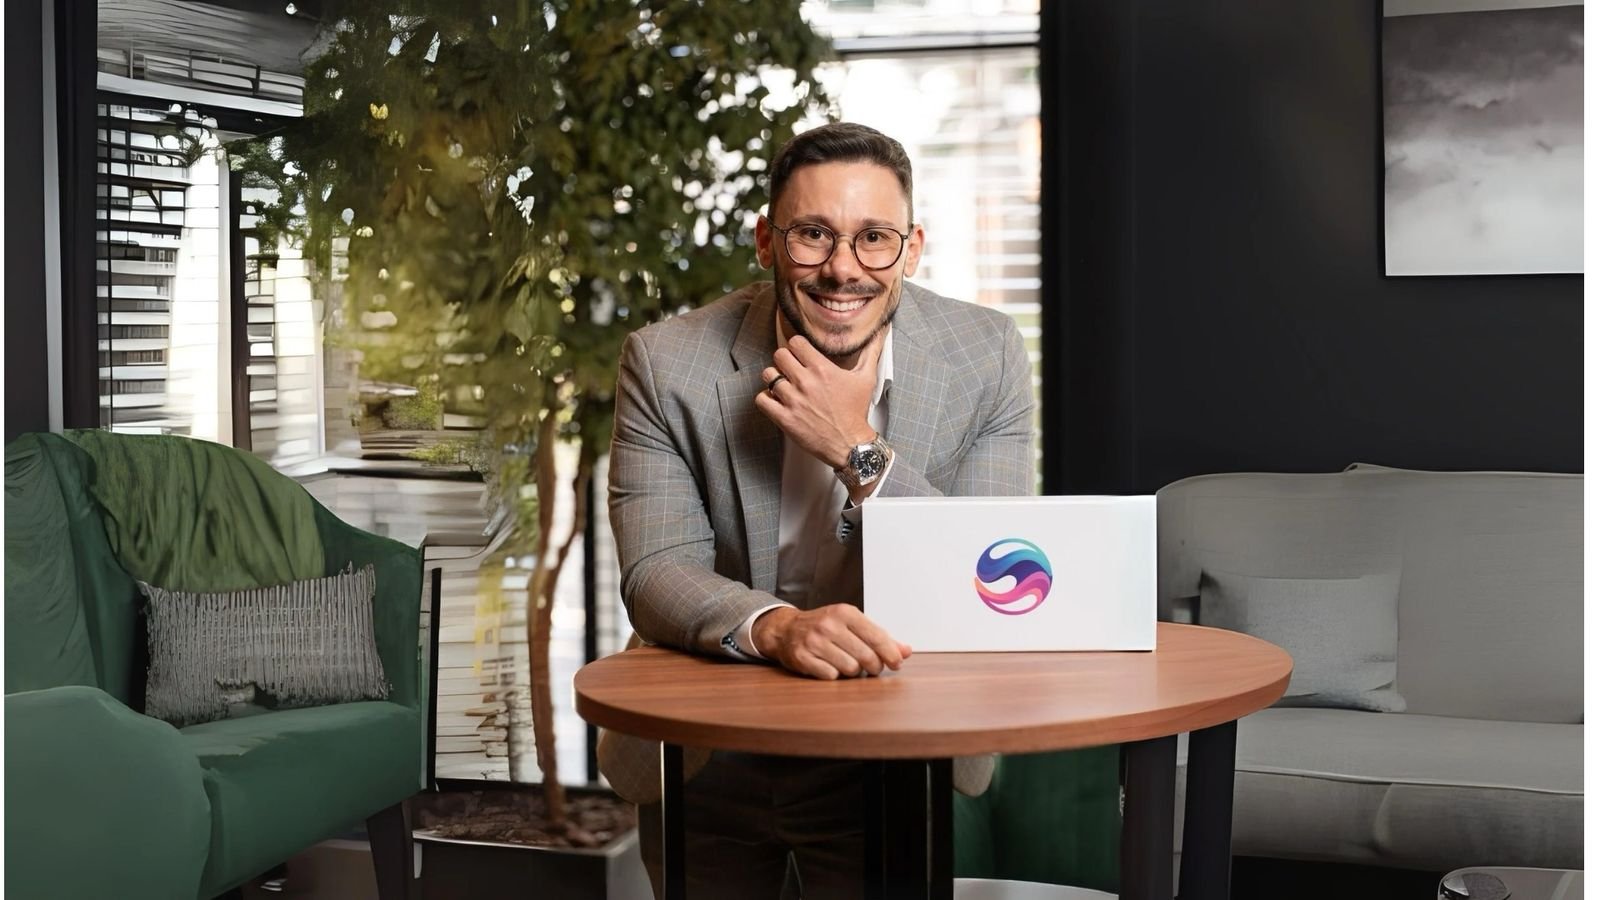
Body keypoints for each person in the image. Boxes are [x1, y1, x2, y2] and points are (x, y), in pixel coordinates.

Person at [601, 122, 1036, 899]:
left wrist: (857, 449)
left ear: (911, 249)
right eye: (813, 235)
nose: (843, 268)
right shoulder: (666, 364)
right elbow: (655, 570)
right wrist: (779, 630)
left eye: (874, 238)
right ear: (767, 242)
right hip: (710, 732)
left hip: (892, 734)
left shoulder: (987, 355)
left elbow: (984, 572)